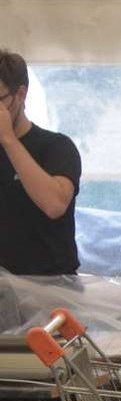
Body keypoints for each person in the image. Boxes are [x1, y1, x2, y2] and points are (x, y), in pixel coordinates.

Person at [0, 49, 80, 277]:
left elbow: (54, 204)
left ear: (20, 95)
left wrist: (8, 139)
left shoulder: (57, 147)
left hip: (50, 290)